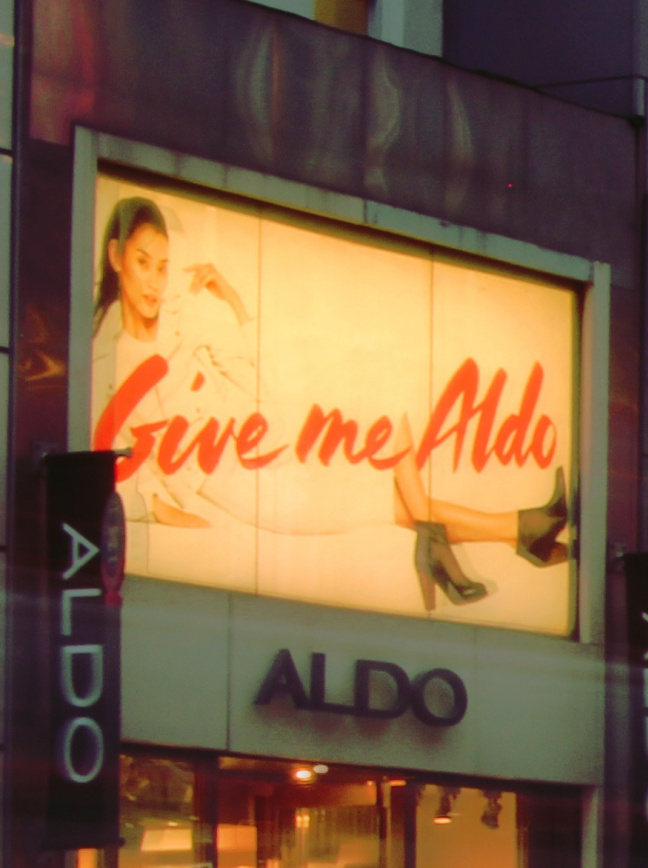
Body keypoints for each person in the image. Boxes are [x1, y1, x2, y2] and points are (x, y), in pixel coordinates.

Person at [88, 194, 571, 608]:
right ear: (115, 257)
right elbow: (112, 470)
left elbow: (254, 380)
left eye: (163, 266)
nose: (154, 282)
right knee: (395, 494)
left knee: (388, 430)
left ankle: (508, 533)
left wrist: (232, 301)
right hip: (251, 488)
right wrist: (170, 513)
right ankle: (512, 533)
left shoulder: (181, 319)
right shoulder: (109, 363)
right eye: (142, 263)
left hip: (272, 440)